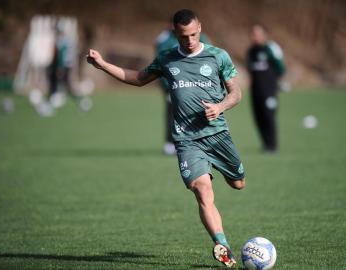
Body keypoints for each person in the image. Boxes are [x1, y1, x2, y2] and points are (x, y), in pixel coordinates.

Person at [87, 9, 245, 268]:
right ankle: (222, 245)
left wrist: (221, 107)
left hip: (218, 135)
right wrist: (102, 64)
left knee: (239, 183)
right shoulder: (167, 59)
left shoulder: (218, 56)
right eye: (184, 37)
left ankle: (229, 183)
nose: (190, 40)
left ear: (200, 28)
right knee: (202, 189)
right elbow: (137, 79)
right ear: (175, 34)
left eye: (194, 34)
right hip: (186, 140)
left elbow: (236, 92)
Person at [155, 22, 210, 155]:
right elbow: (160, 63)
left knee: (198, 112)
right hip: (173, 86)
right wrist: (166, 85)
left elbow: (209, 58)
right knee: (172, 114)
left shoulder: (201, 38)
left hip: (196, 86)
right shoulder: (165, 40)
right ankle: (170, 142)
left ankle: (200, 141)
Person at [247, 24, 285, 153]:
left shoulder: (270, 48)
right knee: (258, 117)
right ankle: (265, 145)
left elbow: (280, 68)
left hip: (269, 91)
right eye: (253, 34)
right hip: (255, 91)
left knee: (269, 116)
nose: (255, 37)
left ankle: (272, 146)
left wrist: (274, 83)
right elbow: (251, 70)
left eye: (257, 34)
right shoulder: (251, 51)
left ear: (264, 34)